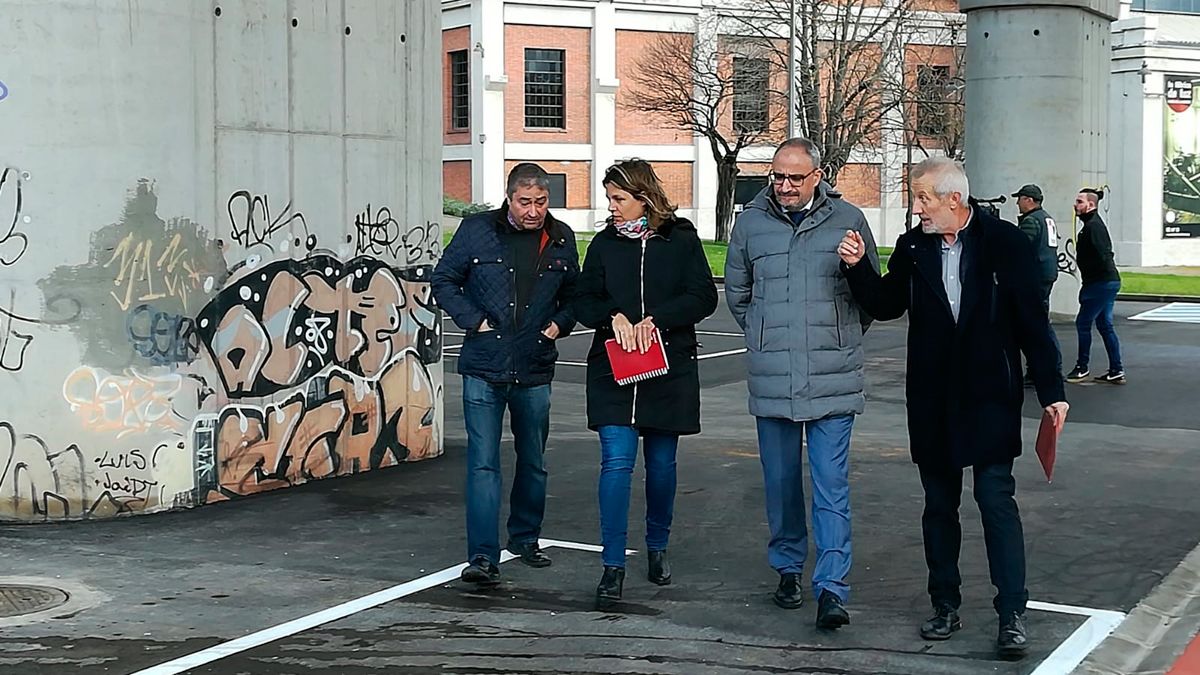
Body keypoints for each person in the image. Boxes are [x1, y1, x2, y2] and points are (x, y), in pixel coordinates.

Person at [837, 157, 1068, 660]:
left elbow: (1033, 321)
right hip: (932, 398)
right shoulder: (913, 246)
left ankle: (1012, 614)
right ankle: (945, 604)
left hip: (990, 396)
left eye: (922, 199)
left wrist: (1053, 391)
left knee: (994, 500)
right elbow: (887, 304)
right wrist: (857, 269)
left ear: (953, 201)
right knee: (939, 507)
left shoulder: (1004, 243)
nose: (915, 207)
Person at [724, 137, 879, 630]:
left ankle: (832, 587)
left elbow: (870, 294)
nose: (785, 186)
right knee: (781, 483)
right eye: (778, 176)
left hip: (833, 377)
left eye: (795, 177)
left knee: (832, 486)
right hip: (773, 377)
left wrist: (839, 334)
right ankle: (788, 568)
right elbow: (738, 293)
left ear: (817, 177)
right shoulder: (750, 224)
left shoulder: (848, 219)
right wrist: (767, 336)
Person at [573, 159, 718, 609]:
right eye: (610, 199)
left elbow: (703, 296)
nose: (612, 207)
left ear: (644, 198)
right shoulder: (602, 244)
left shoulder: (681, 240)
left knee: (661, 468)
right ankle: (612, 564)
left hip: (667, 368)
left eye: (619, 199)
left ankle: (658, 547)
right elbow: (583, 297)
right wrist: (611, 316)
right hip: (612, 371)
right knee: (616, 463)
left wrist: (658, 320)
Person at [431, 163, 579, 586]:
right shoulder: (476, 230)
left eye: (541, 202)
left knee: (533, 461)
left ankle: (526, 538)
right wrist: (474, 321)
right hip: (484, 366)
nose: (533, 211)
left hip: (534, 366)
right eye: (525, 202)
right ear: (509, 198)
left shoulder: (561, 237)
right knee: (483, 463)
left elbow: (575, 294)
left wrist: (557, 326)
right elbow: (444, 280)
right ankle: (482, 556)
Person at [1067, 189, 1125, 384]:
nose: (1075, 205)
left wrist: (1090, 282)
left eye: (1079, 202)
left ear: (1090, 205)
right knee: (1104, 325)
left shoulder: (1093, 227)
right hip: (1105, 282)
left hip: (1100, 283)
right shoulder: (1091, 225)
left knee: (1083, 323)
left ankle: (1082, 367)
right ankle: (1116, 369)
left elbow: (1103, 254)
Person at [1011, 184, 1061, 385]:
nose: (1017, 203)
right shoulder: (1046, 217)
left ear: (1029, 200)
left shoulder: (1031, 220)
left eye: (1020, 198)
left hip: (1036, 276)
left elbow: (1020, 247)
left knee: (1036, 323)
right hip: (1047, 273)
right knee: (1038, 322)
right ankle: (1045, 366)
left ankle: (1046, 367)